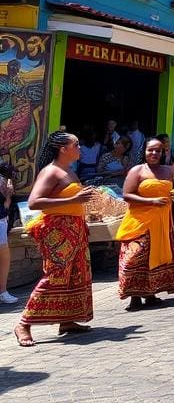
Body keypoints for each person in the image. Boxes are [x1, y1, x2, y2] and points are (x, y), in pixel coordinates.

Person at [14, 132, 97, 347]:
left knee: (76, 273)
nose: (80, 148)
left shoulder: (68, 170)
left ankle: (66, 320)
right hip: (58, 230)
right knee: (56, 274)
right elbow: (34, 202)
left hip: (75, 228)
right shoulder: (50, 172)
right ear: (63, 148)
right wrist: (75, 198)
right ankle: (24, 323)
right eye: (76, 144)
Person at [115, 138, 174, 310]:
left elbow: (169, 192)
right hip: (140, 222)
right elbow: (127, 195)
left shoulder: (168, 171)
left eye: (158, 151)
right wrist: (151, 201)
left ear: (163, 153)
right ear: (144, 151)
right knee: (134, 258)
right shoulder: (137, 170)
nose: (154, 153)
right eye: (150, 150)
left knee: (154, 258)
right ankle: (134, 296)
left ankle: (151, 294)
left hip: (162, 222)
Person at [0, 162, 16, 304]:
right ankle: (3, 292)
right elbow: (6, 204)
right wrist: (9, 194)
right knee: (4, 256)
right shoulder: (2, 181)